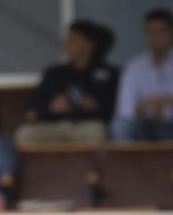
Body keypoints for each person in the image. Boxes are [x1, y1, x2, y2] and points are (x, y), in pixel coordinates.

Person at [23, 19, 119, 143]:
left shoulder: (109, 74)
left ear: (90, 44)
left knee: (96, 131)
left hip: (87, 126)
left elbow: (121, 112)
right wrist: (50, 107)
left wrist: (94, 106)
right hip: (54, 127)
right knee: (25, 134)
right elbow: (31, 114)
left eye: (73, 40)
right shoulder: (54, 73)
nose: (67, 44)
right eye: (67, 39)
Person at [115, 9, 173, 142]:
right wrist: (143, 107)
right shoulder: (135, 66)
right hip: (144, 124)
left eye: (161, 31)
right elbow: (125, 109)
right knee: (121, 126)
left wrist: (167, 103)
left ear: (171, 33)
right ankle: (127, 163)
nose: (156, 37)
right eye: (151, 32)